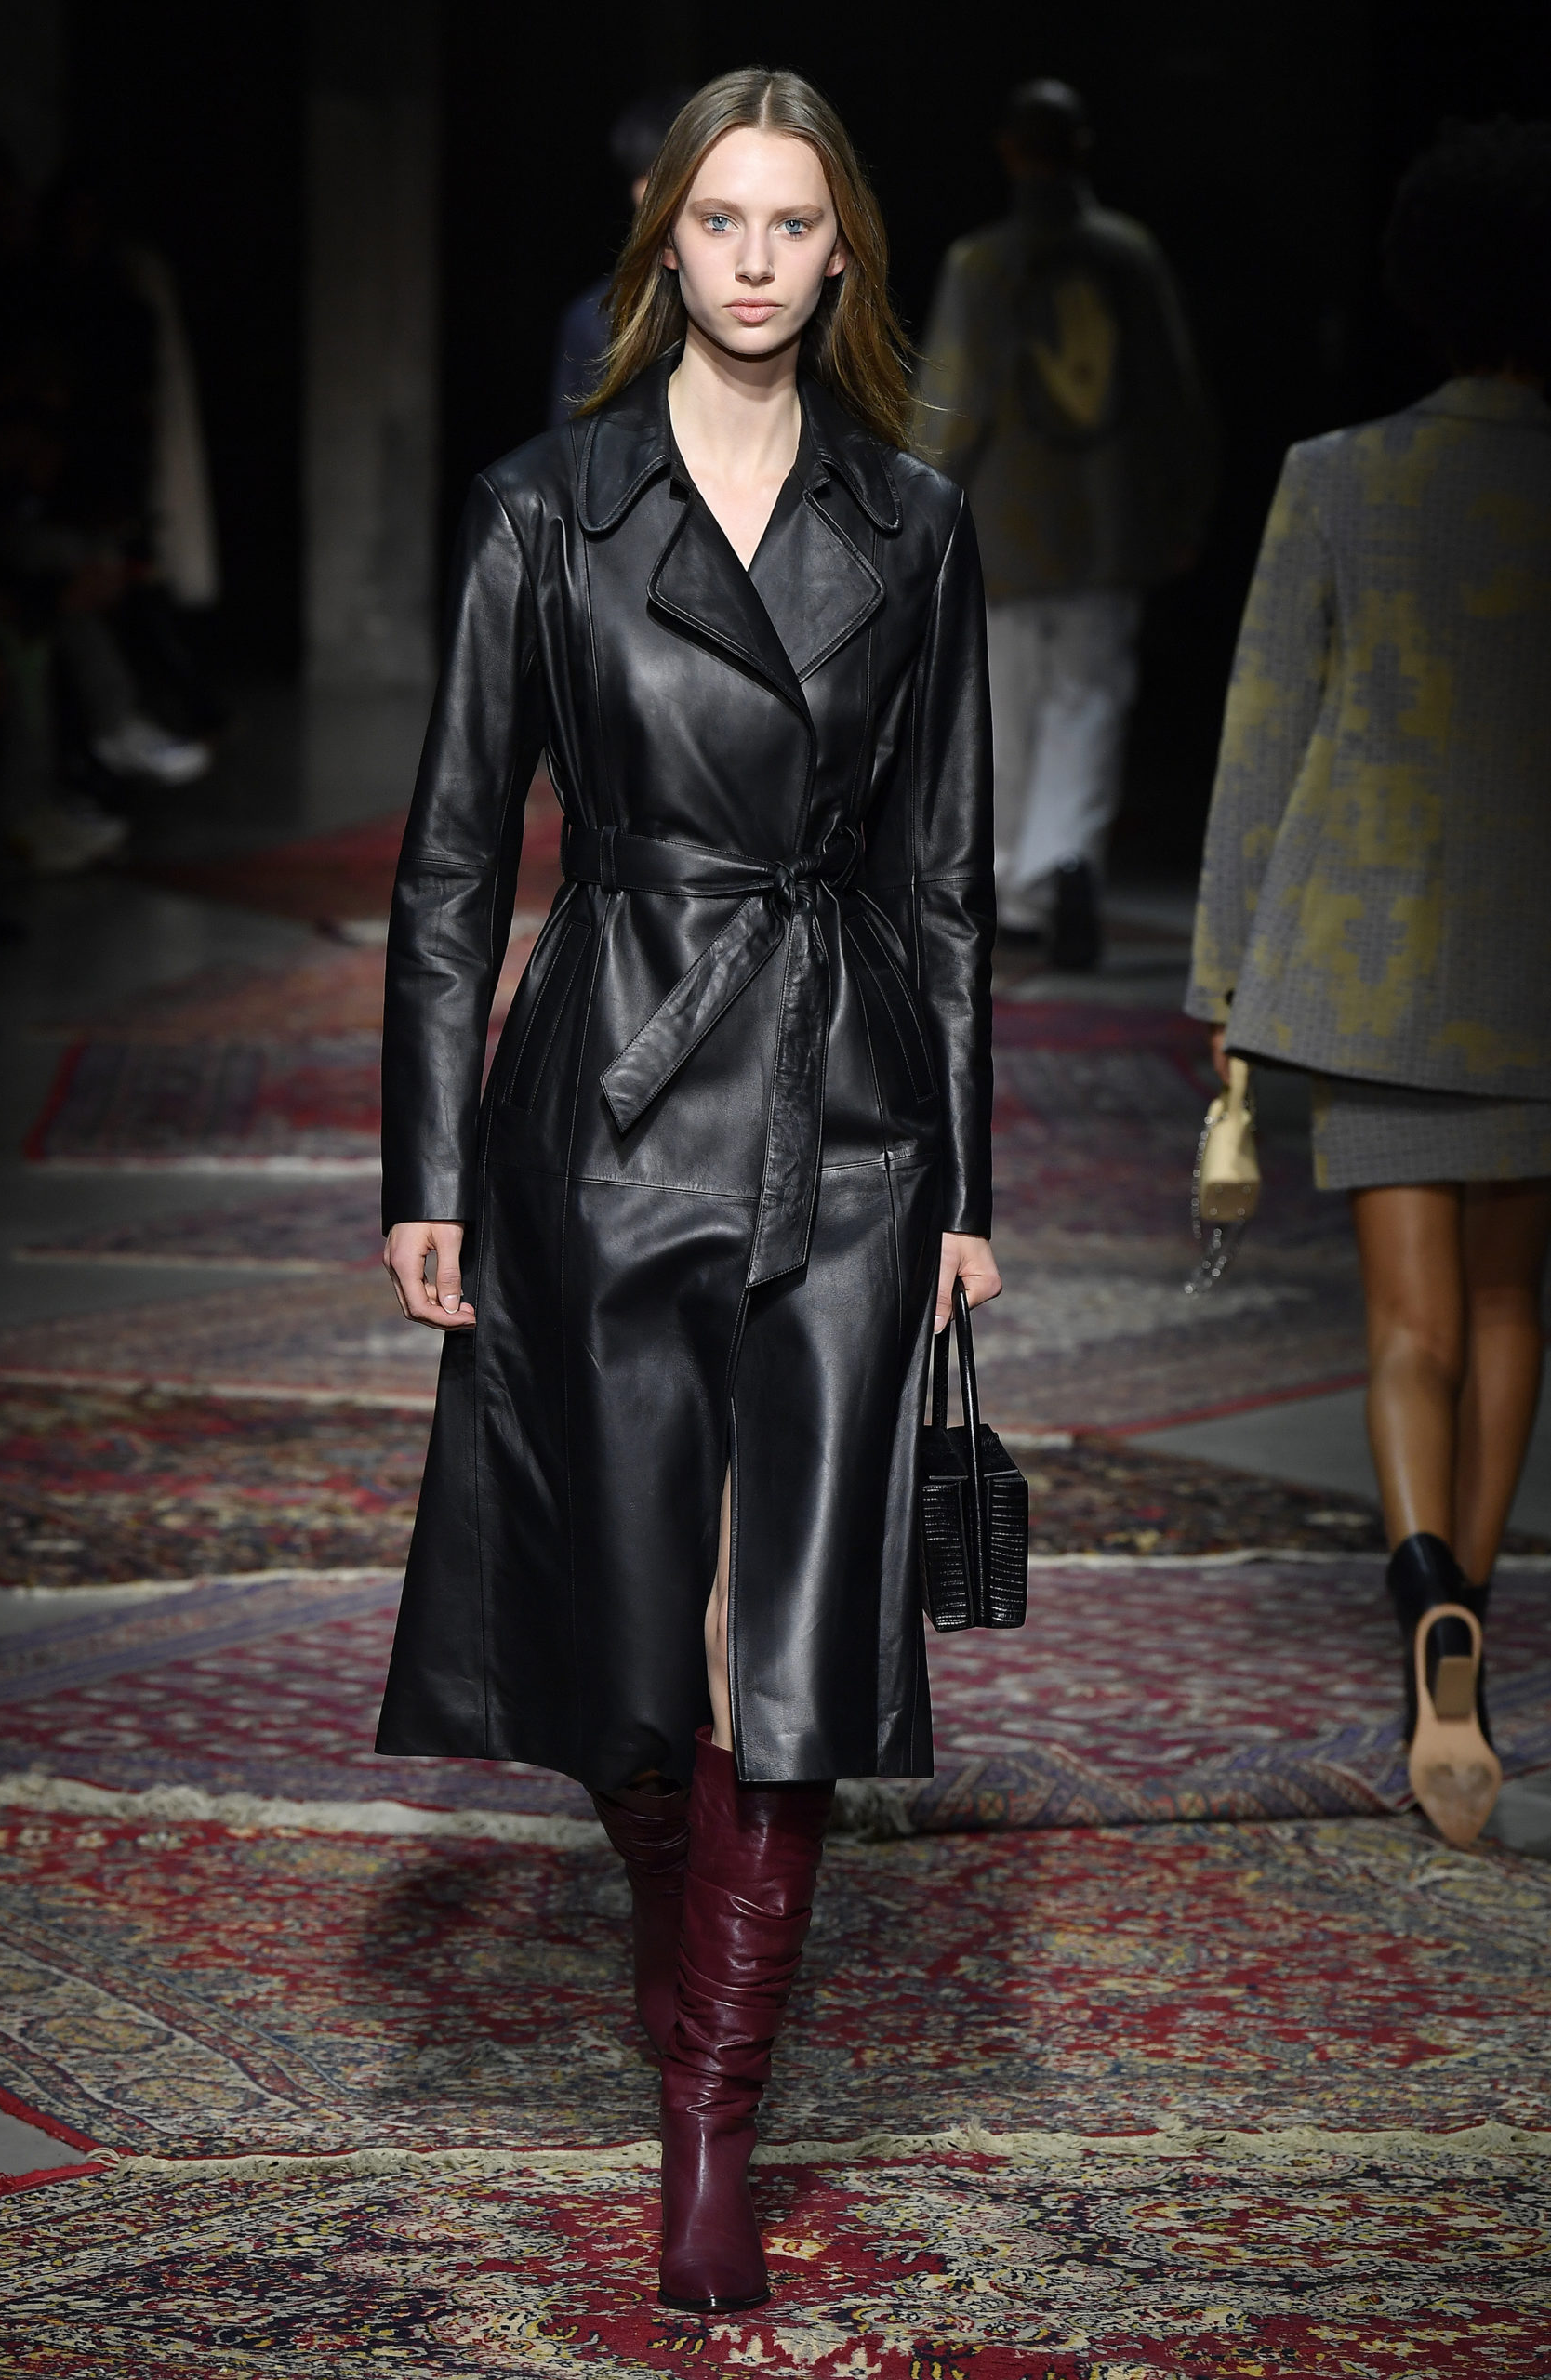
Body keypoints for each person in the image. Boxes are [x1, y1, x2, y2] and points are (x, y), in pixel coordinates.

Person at [378, 67, 999, 2313]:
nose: (753, 260)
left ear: (842, 258)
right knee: (627, 1628)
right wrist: (426, 1161)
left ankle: (709, 2117)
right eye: (717, 220)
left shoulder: (913, 521)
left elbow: (940, 879)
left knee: (783, 1632)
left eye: (791, 224)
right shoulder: (543, 506)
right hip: (605, 1099)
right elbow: (456, 857)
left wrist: (963, 1181)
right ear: (665, 243)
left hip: (843, 1113)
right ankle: (673, 1918)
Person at [1186, 118, 1551, 1850]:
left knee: (1407, 1328)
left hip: (1377, 956)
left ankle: (1429, 1624)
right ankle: (1469, 1594)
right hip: (1536, 961)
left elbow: (1267, 733)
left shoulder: (1337, 475)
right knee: (1510, 1310)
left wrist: (1225, 975)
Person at [918, 79, 1214, 969]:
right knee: (1088, 705)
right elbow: (1172, 394)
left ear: (1009, 150)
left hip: (1007, 525)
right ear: (1082, 146)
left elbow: (953, 405)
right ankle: (1066, 862)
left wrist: (914, 502)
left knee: (1004, 706)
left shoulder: (982, 263)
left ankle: (1012, 887)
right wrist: (1183, 504)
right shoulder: (1129, 255)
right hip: (1108, 523)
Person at [547, 86, 694, 426]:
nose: (659, 190)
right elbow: (569, 446)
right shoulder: (593, 318)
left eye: (673, 173)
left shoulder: (756, 292)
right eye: (646, 174)